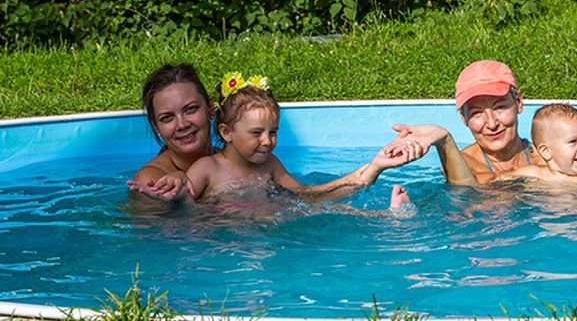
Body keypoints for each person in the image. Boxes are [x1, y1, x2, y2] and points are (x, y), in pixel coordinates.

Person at [387, 59, 577, 187]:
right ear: (464, 119)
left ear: (519, 103)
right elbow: (467, 192)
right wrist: (444, 140)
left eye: (500, 107)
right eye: (477, 113)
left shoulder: (554, 154)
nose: (491, 123)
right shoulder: (464, 166)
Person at [147, 72, 421, 204]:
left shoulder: (270, 164)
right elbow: (181, 208)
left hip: (274, 227)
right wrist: (178, 183)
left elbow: (307, 194)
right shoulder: (207, 168)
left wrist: (374, 167)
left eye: (273, 132)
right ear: (226, 132)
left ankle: (386, 219)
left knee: (327, 212)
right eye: (256, 133)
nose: (267, 141)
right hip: (228, 237)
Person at [128, 63, 216, 196]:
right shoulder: (151, 180)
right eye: (167, 118)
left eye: (190, 109)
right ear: (156, 126)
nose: (182, 124)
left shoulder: (233, 161)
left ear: (210, 107)